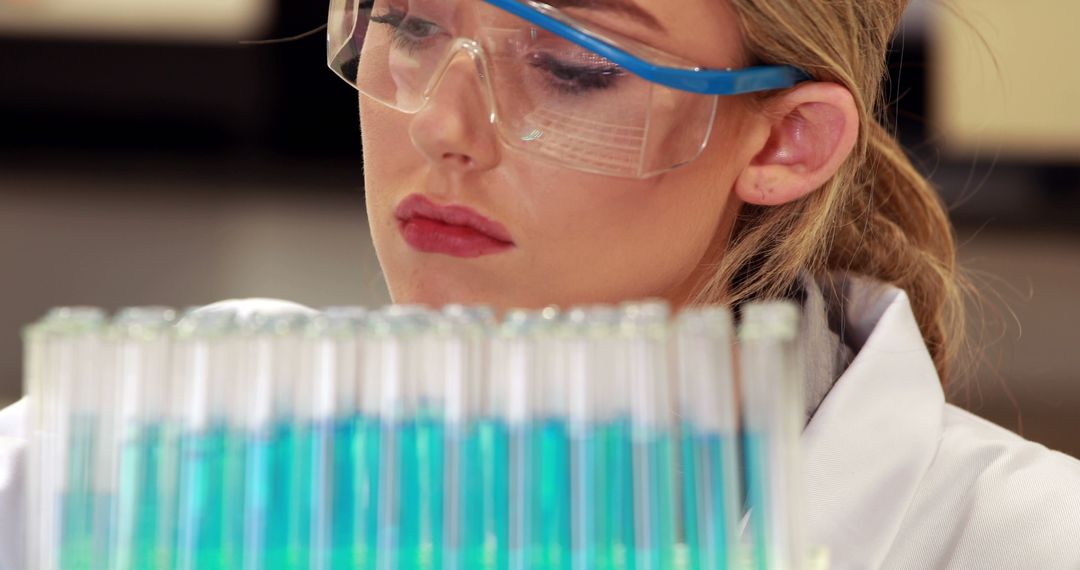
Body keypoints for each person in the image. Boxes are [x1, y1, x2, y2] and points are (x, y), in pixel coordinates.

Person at [1, 0, 1078, 567]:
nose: (442, 127)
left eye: (573, 64)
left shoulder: (1022, 543)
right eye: (411, 27)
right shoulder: (132, 458)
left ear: (788, 139)